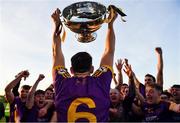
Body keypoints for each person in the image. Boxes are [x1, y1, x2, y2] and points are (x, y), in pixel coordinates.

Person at [51, 7, 118, 122]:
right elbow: (109, 51)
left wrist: (57, 24)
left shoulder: (62, 81)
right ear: (92, 69)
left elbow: (56, 52)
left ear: (71, 70)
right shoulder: (101, 81)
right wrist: (110, 24)